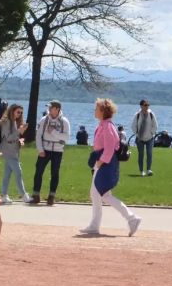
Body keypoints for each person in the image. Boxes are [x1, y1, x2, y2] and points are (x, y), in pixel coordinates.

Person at [80, 98, 142, 236]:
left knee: (101, 194)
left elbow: (109, 149)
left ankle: (131, 218)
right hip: (102, 163)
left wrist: (99, 163)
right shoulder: (103, 125)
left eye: (96, 109)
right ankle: (97, 225)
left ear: (103, 111)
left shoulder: (108, 127)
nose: (94, 111)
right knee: (100, 194)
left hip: (105, 164)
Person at [30, 100, 70, 206]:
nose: (49, 109)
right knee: (38, 171)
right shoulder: (44, 120)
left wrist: (53, 132)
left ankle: (51, 196)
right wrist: (40, 149)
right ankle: (35, 194)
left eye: (51, 107)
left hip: (57, 150)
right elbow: (38, 135)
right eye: (49, 107)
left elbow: (66, 137)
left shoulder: (64, 121)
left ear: (57, 109)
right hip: (45, 149)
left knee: (55, 173)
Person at [0, 104, 30, 204]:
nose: (19, 115)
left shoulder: (14, 122)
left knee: (7, 174)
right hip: (8, 151)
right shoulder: (7, 122)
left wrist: (20, 139)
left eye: (21, 113)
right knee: (18, 172)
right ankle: (24, 195)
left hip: (13, 151)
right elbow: (8, 138)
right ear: (12, 111)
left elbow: (13, 137)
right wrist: (19, 131)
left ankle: (4, 195)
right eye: (18, 112)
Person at [131, 100, 158, 176]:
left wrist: (151, 133)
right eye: (145, 105)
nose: (147, 106)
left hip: (150, 138)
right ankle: (141, 171)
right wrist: (137, 134)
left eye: (148, 105)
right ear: (141, 106)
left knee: (149, 154)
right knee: (141, 155)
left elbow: (155, 125)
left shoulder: (151, 114)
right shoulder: (137, 115)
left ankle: (149, 169)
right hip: (139, 139)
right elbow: (133, 126)